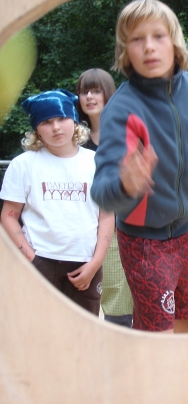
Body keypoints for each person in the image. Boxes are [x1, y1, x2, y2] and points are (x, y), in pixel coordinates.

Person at [90, 0, 188, 334]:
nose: (149, 47)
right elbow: (101, 193)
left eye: (158, 36)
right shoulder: (121, 109)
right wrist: (125, 184)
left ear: (175, 41)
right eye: (137, 39)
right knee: (157, 337)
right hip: (143, 242)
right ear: (125, 51)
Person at [0, 89, 114, 315]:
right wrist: (31, 260)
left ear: (74, 121)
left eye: (62, 119)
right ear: (36, 129)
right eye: (46, 122)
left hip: (85, 263)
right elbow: (9, 215)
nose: (56, 128)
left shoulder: (97, 162)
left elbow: (107, 215)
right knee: (37, 329)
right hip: (39, 261)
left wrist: (95, 263)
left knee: (82, 331)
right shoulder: (23, 164)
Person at [75, 68, 134, 328]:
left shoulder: (127, 133)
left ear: (108, 94)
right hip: (81, 227)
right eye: (83, 91)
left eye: (95, 91)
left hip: (123, 227)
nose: (89, 97)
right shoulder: (71, 139)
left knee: (118, 303)